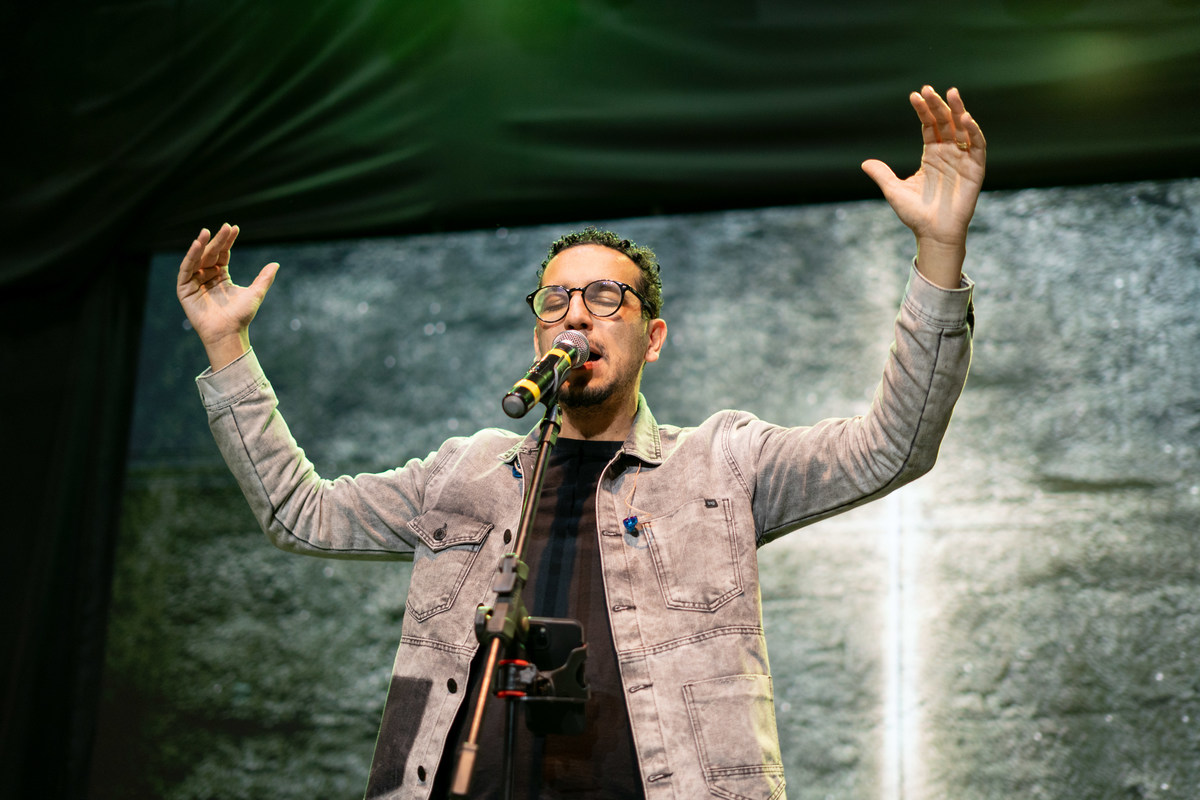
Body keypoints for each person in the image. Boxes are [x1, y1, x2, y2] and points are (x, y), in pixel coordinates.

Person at [177, 85, 985, 800]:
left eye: (605, 296)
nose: (574, 314)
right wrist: (226, 348)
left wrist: (939, 255)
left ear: (652, 335)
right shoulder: (467, 470)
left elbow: (894, 443)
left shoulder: (722, 462)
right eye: (555, 299)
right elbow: (300, 512)